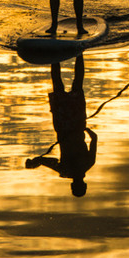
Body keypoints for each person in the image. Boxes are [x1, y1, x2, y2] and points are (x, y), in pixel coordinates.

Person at [25, 55, 97, 197]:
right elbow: (46, 161)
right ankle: (55, 55)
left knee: (77, 83)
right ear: (72, 185)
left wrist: (84, 128)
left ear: (85, 184)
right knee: (58, 84)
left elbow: (94, 138)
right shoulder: (65, 170)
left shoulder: (88, 164)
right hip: (63, 125)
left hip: (77, 122)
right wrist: (34, 163)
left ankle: (79, 53)